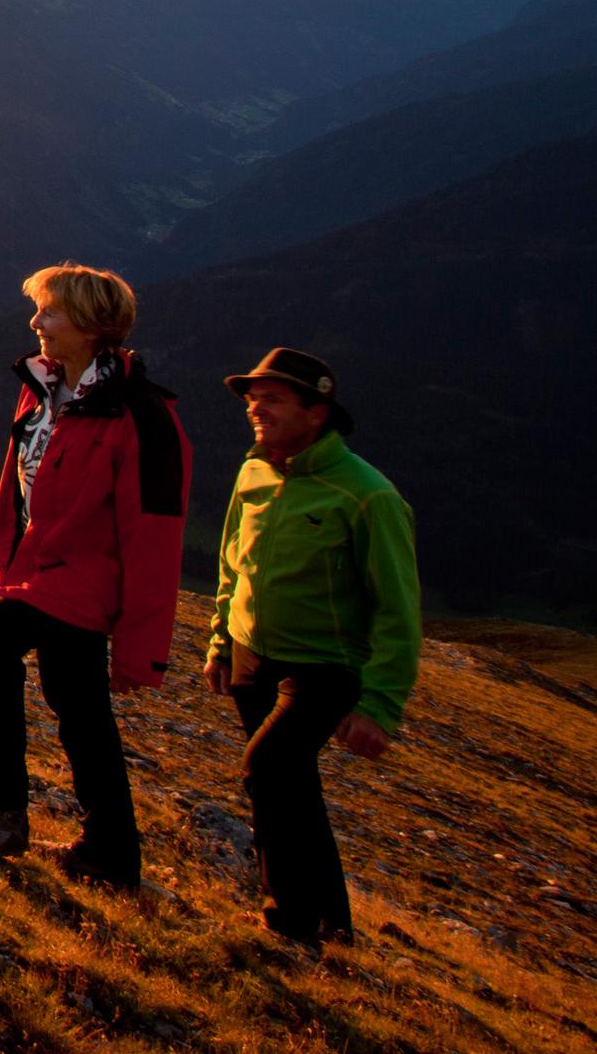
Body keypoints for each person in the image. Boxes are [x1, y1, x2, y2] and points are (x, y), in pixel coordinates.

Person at [0, 265, 188, 888]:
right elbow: (19, 492)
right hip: (44, 576)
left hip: (84, 583)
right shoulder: (42, 390)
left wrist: (140, 652)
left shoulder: (140, 416)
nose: (35, 323)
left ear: (93, 326)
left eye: (49, 312)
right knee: (80, 709)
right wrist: (10, 567)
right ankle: (111, 853)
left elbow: (154, 536)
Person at [204, 348, 419, 946]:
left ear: (317, 412)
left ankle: (290, 921)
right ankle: (329, 919)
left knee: (268, 768)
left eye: (272, 398)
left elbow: (398, 609)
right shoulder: (254, 472)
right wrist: (222, 640)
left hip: (324, 667)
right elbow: (231, 560)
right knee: (287, 784)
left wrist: (380, 705)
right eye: (252, 397)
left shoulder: (367, 496)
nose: (255, 408)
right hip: (252, 654)